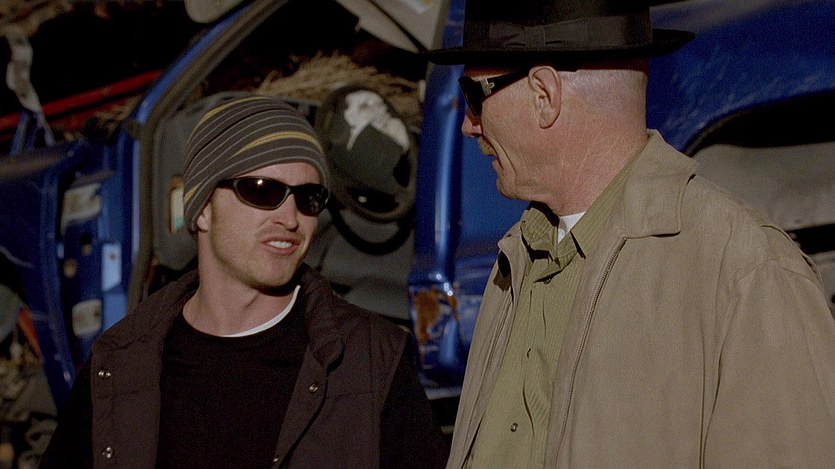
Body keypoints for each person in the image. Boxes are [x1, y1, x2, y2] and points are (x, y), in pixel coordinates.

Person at [425, 0, 835, 467]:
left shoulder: (746, 272)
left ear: (544, 95)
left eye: (475, 95)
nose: (469, 124)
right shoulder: (515, 259)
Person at [38, 95, 448, 469]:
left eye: (308, 198)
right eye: (262, 190)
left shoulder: (371, 361)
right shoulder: (120, 365)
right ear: (202, 209)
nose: (290, 218)